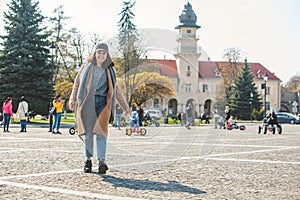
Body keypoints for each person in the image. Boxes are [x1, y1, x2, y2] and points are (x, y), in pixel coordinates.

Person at [69, 43, 130, 174]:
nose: (101, 56)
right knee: (89, 133)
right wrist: (72, 99)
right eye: (99, 53)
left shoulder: (110, 70)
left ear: (107, 55)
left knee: (102, 132)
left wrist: (125, 106)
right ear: (95, 54)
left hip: (103, 103)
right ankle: (88, 160)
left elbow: (116, 90)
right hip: (87, 102)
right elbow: (77, 83)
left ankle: (102, 161)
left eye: (104, 53)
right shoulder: (86, 66)